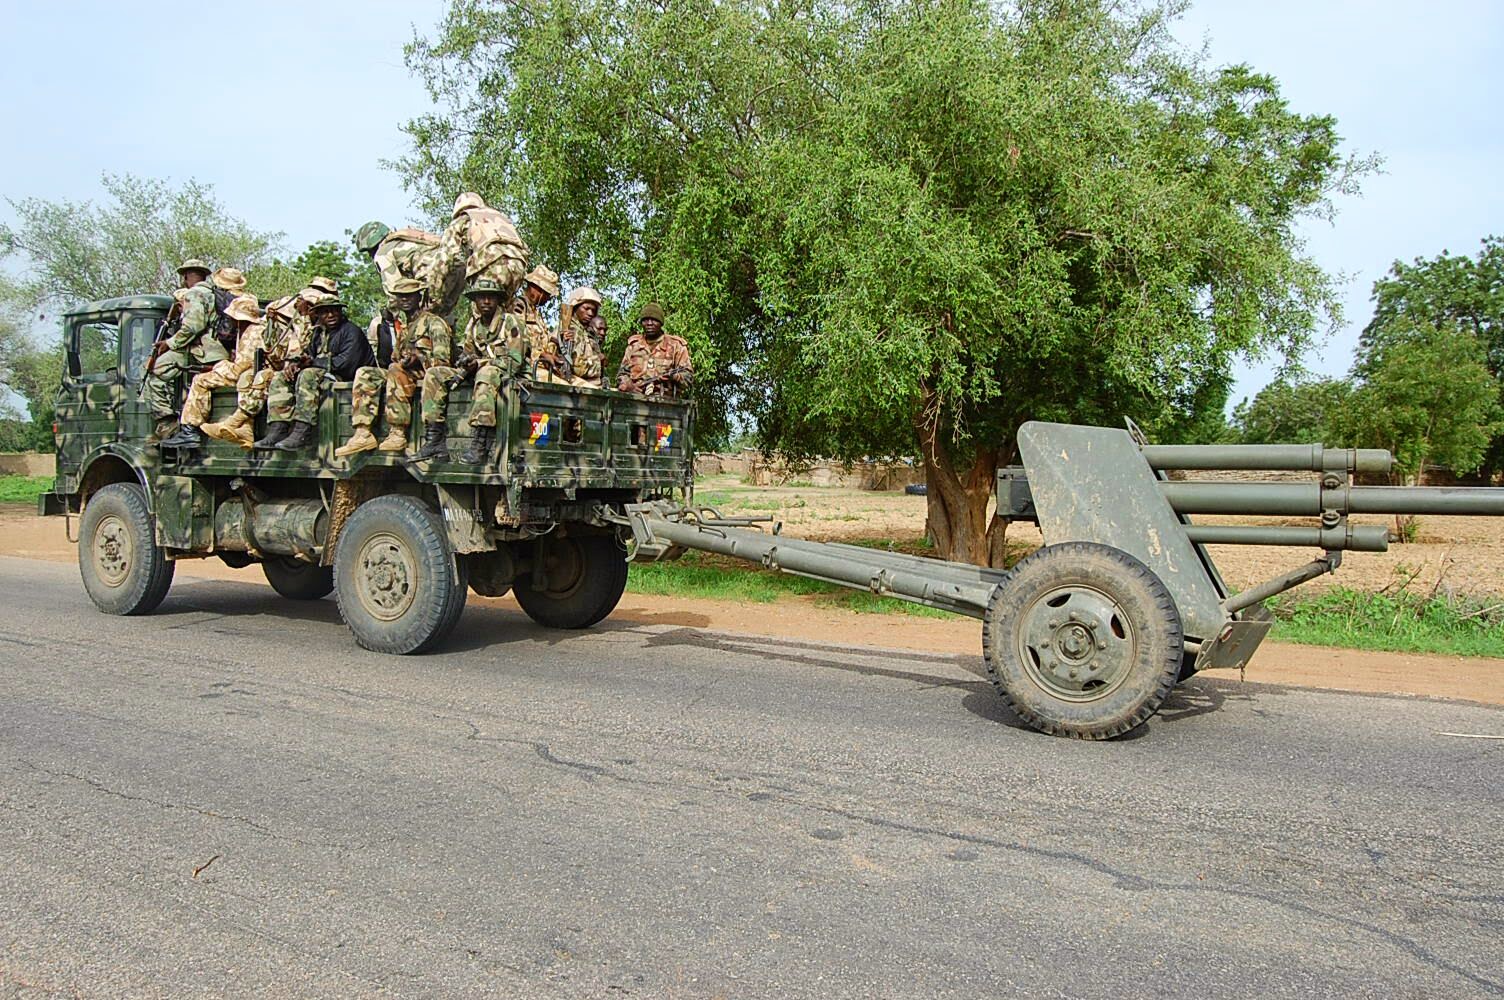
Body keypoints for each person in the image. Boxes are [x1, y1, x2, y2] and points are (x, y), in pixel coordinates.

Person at [335, 277, 453, 457]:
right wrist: (404, 359)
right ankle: (362, 432)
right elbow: (394, 358)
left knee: (395, 369)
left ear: (419, 298)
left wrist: (419, 357)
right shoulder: (404, 330)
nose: (405, 300)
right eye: (401, 296)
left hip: (426, 379)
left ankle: (397, 431)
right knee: (366, 373)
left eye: (410, 296)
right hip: (405, 376)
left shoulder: (434, 323)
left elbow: (442, 363)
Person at [415, 278, 527, 463]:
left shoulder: (510, 323)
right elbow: (468, 354)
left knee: (487, 373)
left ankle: (480, 445)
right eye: (481, 297)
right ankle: (435, 439)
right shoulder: (474, 327)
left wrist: (480, 363)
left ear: (498, 300)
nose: (486, 301)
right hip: (478, 373)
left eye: (490, 297)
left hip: (505, 376)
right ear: (475, 301)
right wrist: (465, 362)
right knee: (434, 374)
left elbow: (514, 363)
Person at [254, 295, 373, 452]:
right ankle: (278, 428)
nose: (330, 315)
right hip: (326, 377)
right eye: (325, 312)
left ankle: (302, 430)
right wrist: (297, 364)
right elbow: (309, 354)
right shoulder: (319, 333)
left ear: (340, 312)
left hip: (348, 379)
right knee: (280, 377)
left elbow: (345, 364)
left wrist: (311, 364)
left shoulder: (351, 331)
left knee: (308, 375)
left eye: (334, 311)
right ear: (318, 315)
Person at [159, 296, 264, 449]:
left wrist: (219, 366)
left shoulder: (251, 333)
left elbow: (241, 368)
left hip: (249, 376)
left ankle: (190, 431)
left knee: (200, 380)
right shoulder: (249, 330)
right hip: (249, 376)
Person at [141, 259, 229, 442]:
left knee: (152, 370)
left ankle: (166, 421)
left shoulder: (194, 293)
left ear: (187, 276)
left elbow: (193, 327)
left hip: (200, 352)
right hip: (217, 351)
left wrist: (169, 343)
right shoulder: (216, 293)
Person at [202, 294, 303, 448]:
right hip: (274, 374)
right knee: (246, 376)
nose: (271, 318)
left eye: (277, 316)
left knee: (262, 376)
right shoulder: (272, 332)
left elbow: (290, 360)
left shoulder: (294, 334)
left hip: (287, 377)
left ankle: (234, 421)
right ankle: (246, 429)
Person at [433, 192, 530, 316]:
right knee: (504, 314)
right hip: (518, 267)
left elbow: (444, 258)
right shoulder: (501, 217)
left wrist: (434, 295)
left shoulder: (464, 218)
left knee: (482, 317)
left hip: (491, 264)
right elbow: (525, 249)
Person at [354, 220, 444, 302]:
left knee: (425, 317)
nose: (370, 255)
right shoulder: (404, 239)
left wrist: (391, 314)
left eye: (369, 251)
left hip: (434, 276)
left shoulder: (382, 253)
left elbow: (394, 290)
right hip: (451, 264)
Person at [617, 302, 691, 398]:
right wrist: (630, 386)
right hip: (635, 402)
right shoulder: (634, 346)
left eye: (654, 320)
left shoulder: (676, 346)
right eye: (645, 320)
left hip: (667, 404)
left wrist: (674, 377)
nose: (649, 323)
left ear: (661, 322)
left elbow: (688, 377)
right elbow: (621, 375)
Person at [517, 266, 569, 382]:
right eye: (547, 294)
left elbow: (541, 341)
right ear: (537, 289)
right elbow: (515, 342)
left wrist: (557, 341)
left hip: (541, 367)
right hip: (526, 368)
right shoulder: (520, 307)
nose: (549, 299)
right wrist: (540, 355)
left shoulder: (536, 312)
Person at [562, 287, 606, 389]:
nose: (590, 313)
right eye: (586, 309)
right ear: (575, 307)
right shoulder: (568, 329)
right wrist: (599, 361)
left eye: (593, 310)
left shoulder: (586, 332)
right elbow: (578, 367)